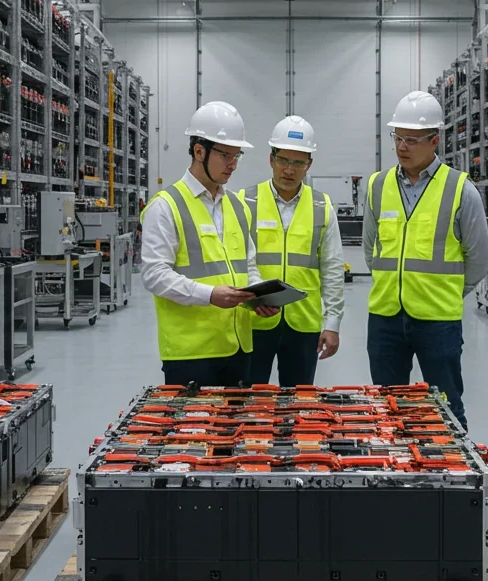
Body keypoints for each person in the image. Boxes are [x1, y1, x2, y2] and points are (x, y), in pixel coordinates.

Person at [362, 91, 488, 429]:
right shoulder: (377, 186)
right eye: (398, 138)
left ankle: (455, 478)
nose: (402, 147)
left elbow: (479, 259)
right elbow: (370, 249)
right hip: (385, 317)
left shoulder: (461, 190)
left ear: (435, 140)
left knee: (446, 408)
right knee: (388, 407)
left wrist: (445, 291)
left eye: (412, 140)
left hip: (437, 320)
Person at [139, 102, 279, 386]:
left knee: (236, 429)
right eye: (225, 154)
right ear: (199, 151)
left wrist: (258, 297)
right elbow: (154, 275)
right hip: (192, 354)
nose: (233, 164)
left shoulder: (238, 207)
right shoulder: (166, 207)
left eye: (237, 155)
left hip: (239, 347)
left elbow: (247, 265)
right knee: (194, 430)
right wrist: (209, 294)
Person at [237, 116, 346, 386]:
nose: (289, 169)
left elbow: (332, 268)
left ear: (309, 164)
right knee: (250, 402)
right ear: (271, 159)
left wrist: (332, 324)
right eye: (284, 160)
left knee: (298, 407)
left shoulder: (322, 206)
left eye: (298, 162)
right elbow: (235, 261)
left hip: (304, 324)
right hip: (256, 320)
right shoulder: (244, 201)